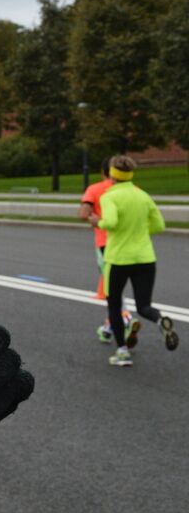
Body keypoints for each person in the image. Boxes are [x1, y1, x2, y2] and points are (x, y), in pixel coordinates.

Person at [92, 155, 178, 366]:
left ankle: (122, 352)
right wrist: (138, 231)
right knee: (144, 305)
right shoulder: (143, 195)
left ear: (111, 174)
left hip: (118, 258)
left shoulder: (109, 196)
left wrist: (98, 221)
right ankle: (160, 320)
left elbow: (110, 221)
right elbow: (159, 226)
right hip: (145, 258)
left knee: (114, 304)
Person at [79, 158, 131, 343]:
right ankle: (110, 324)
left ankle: (124, 316)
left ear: (103, 172)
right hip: (129, 243)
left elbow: (84, 213)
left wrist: (93, 217)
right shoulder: (129, 189)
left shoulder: (95, 189)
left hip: (105, 243)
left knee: (112, 287)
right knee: (118, 286)